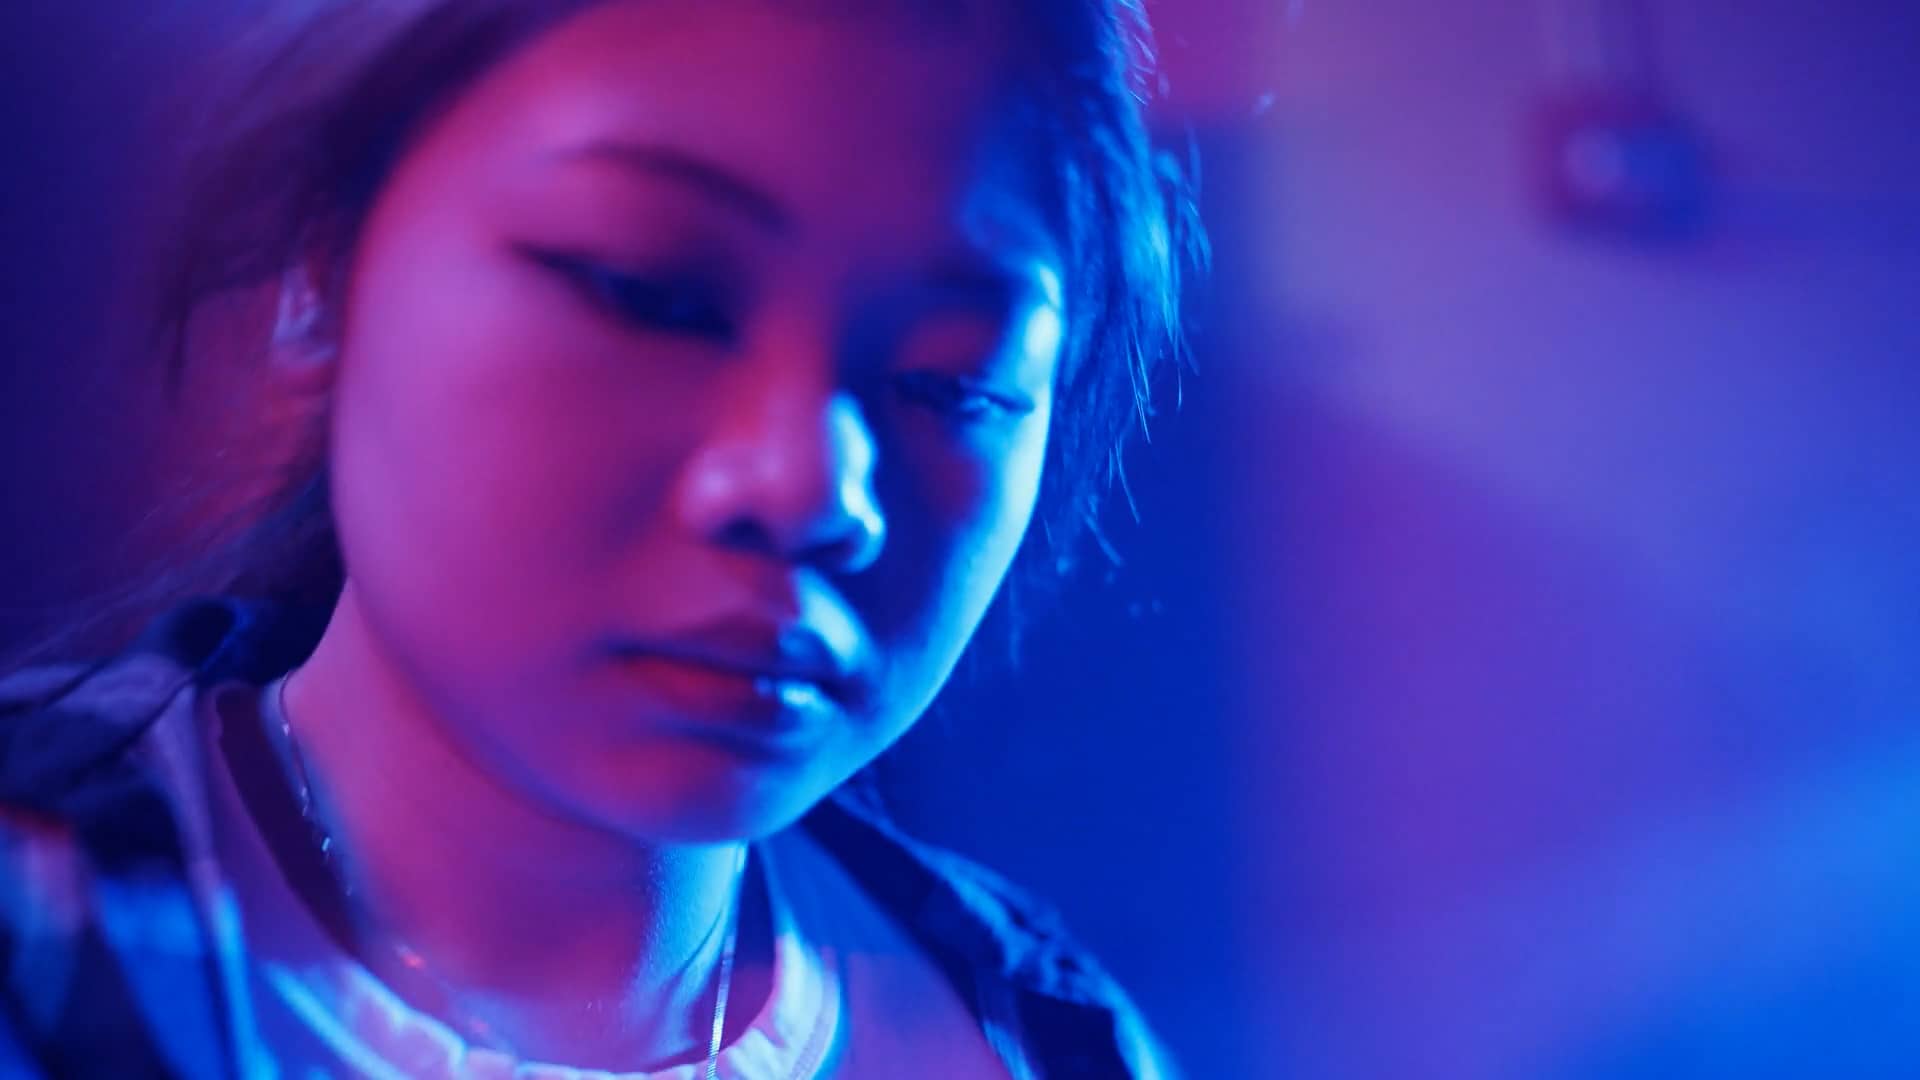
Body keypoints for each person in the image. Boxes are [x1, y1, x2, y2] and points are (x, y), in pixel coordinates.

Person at [0, 0, 1198, 1076]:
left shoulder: (1054, 1045)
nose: (811, 489)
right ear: (325, 268)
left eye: (952, 380)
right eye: (648, 293)